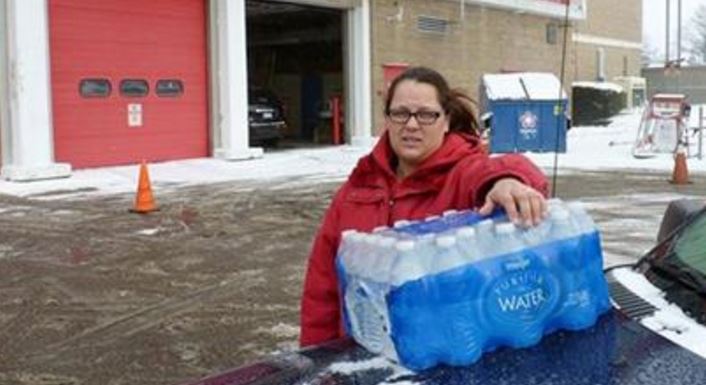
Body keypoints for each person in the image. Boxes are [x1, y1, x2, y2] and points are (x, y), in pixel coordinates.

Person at [299, 66, 548, 347]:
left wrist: (505, 180)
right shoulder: (356, 189)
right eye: (401, 113)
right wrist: (316, 359)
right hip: (360, 357)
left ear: (446, 120)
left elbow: (499, 170)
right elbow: (322, 289)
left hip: (443, 358)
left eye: (427, 115)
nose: (412, 125)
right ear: (388, 119)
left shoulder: (462, 174)